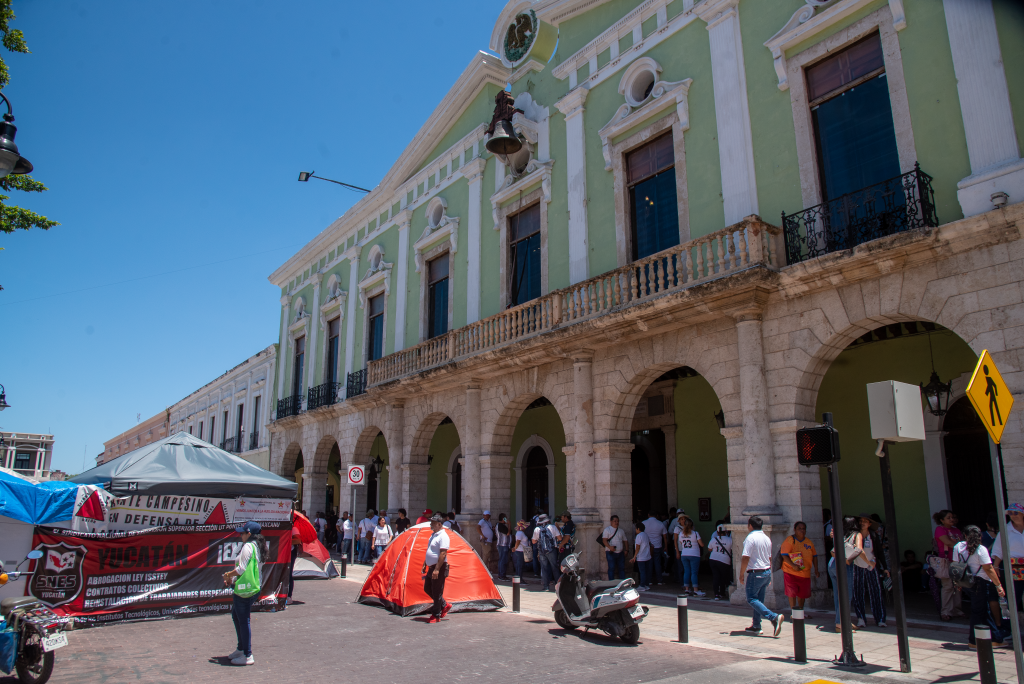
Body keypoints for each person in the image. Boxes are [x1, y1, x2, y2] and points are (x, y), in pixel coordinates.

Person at [954, 525, 1007, 649]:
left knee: (983, 610)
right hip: (980, 582)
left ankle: (996, 638)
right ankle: (973, 641)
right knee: (978, 611)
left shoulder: (958, 547)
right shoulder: (981, 549)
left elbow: (956, 565)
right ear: (979, 536)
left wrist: (957, 582)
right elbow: (988, 568)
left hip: (966, 581)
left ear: (965, 535)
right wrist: (998, 585)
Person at [222, 521, 266, 666]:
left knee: (243, 620)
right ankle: (241, 649)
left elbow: (241, 569)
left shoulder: (248, 546)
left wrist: (228, 575)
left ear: (249, 534)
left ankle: (247, 655)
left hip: (246, 589)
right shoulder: (258, 546)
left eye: (242, 533)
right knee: (236, 615)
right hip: (254, 587)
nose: (240, 535)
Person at [739, 516, 784, 637]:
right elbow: (769, 558)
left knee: (751, 599)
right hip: (766, 571)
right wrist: (769, 574)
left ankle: (773, 617)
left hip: (755, 572)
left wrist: (741, 573)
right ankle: (756, 625)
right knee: (759, 600)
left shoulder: (751, 538)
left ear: (750, 525)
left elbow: (745, 557)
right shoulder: (766, 538)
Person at [851, 516, 886, 628]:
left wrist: (885, 567)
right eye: (861, 521)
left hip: (872, 566)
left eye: (865, 521)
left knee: (876, 592)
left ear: (869, 524)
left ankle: (880, 619)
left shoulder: (873, 535)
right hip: (857, 566)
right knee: (858, 593)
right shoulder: (855, 535)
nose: (862, 523)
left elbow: (879, 551)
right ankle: (861, 618)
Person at [991, 503, 1024, 617]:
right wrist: (996, 566)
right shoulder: (1005, 531)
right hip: (1014, 567)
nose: (1013, 515)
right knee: (1015, 596)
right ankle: (1012, 624)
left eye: (1016, 513)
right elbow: (998, 550)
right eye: (1010, 513)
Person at [933, 509, 965, 620]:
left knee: (957, 586)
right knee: (948, 586)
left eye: (952, 517)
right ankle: (946, 611)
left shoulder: (956, 530)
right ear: (942, 520)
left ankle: (957, 610)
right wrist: (963, 547)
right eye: (948, 518)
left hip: (957, 561)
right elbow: (948, 542)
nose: (952, 519)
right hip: (946, 561)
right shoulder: (940, 529)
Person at [780, 521, 818, 612]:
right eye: (799, 529)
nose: (802, 530)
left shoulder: (809, 542)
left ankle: (800, 612)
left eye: (803, 529)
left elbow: (815, 556)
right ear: (795, 529)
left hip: (805, 573)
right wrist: (793, 566)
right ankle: (793, 613)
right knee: (792, 593)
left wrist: (816, 569)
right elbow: (784, 555)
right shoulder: (790, 540)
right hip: (790, 572)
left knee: (802, 595)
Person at [421, 513, 452, 623]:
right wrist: (425, 563)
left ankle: (436, 615)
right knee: (427, 588)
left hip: (439, 567)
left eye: (433, 523)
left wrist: (437, 569)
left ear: (439, 524)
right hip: (431, 567)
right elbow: (430, 550)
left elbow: (443, 554)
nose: (431, 524)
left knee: (437, 591)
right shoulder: (433, 535)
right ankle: (444, 604)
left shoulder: (443, 536)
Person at [829, 518, 858, 633]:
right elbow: (858, 549)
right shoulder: (853, 535)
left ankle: (841, 621)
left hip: (832, 564)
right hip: (843, 565)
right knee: (846, 595)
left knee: (838, 596)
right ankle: (841, 624)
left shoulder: (836, 532)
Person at [675, 514, 704, 597]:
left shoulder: (681, 534)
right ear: (692, 526)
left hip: (684, 554)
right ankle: (696, 590)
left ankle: (687, 589)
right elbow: (701, 544)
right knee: (694, 572)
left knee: (686, 571)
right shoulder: (695, 533)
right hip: (694, 554)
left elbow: (680, 542)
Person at [533, 513, 562, 591]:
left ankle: (546, 586)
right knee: (554, 567)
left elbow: (533, 541)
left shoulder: (537, 529)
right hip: (552, 550)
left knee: (544, 568)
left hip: (542, 551)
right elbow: (560, 538)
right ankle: (558, 586)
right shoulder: (553, 527)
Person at [642, 510, 668, 585]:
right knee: (657, 563)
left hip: (648, 546)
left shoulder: (644, 523)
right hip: (657, 546)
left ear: (648, 515)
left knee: (649, 563)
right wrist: (666, 546)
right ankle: (659, 580)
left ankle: (649, 580)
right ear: (656, 515)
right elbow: (665, 537)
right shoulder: (660, 523)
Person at [708, 522, 733, 601]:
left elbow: (709, 549)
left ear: (717, 532)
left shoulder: (713, 539)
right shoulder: (730, 540)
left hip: (713, 559)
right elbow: (732, 550)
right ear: (726, 532)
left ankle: (716, 594)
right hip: (724, 561)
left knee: (716, 577)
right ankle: (722, 593)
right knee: (723, 577)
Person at [602, 515, 627, 581]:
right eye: (615, 521)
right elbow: (604, 540)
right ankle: (611, 583)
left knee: (621, 568)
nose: (616, 522)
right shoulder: (607, 530)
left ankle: (622, 582)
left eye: (617, 521)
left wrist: (627, 550)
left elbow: (625, 540)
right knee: (611, 568)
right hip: (611, 552)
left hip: (620, 553)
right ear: (611, 521)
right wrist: (610, 547)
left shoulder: (621, 531)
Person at [632, 521, 653, 591]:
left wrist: (634, 556)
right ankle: (646, 585)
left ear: (638, 529)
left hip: (641, 557)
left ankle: (642, 585)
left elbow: (637, 547)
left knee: (642, 572)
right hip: (647, 556)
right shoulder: (646, 535)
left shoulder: (639, 536)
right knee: (646, 571)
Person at [287, 516, 302, 606]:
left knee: (289, 574)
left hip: (291, 553)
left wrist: (287, 541)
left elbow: (298, 540)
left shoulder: (294, 528)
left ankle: (289, 596)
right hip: (283, 553)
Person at [496, 513, 512, 580]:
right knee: (503, 560)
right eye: (505, 518)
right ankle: (502, 575)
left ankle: (501, 575)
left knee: (501, 560)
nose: (506, 519)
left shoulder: (499, 525)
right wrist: (509, 524)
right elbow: (508, 533)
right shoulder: (501, 526)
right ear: (503, 519)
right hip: (503, 545)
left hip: (502, 545)